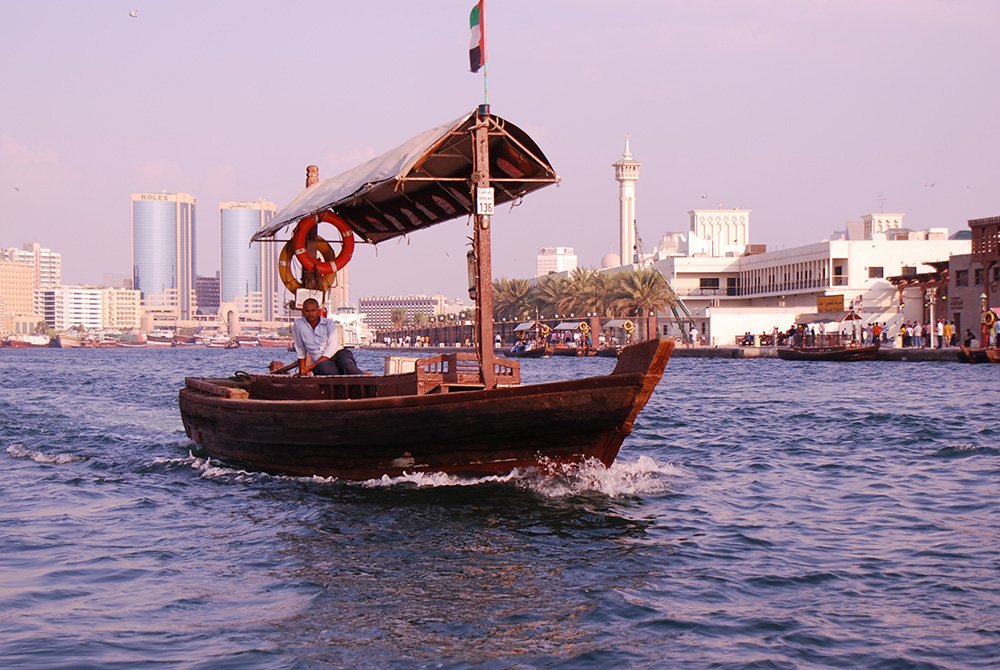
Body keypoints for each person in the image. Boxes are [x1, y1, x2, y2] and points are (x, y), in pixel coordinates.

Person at [292, 298, 363, 376]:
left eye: (313, 311)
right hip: (322, 362)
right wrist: (302, 372)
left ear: (318, 311)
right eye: (307, 311)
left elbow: (331, 349)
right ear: (303, 312)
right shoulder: (298, 324)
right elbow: (300, 350)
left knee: (348, 367)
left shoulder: (329, 324)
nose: (310, 314)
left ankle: (365, 378)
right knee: (326, 370)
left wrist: (311, 366)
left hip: (338, 354)